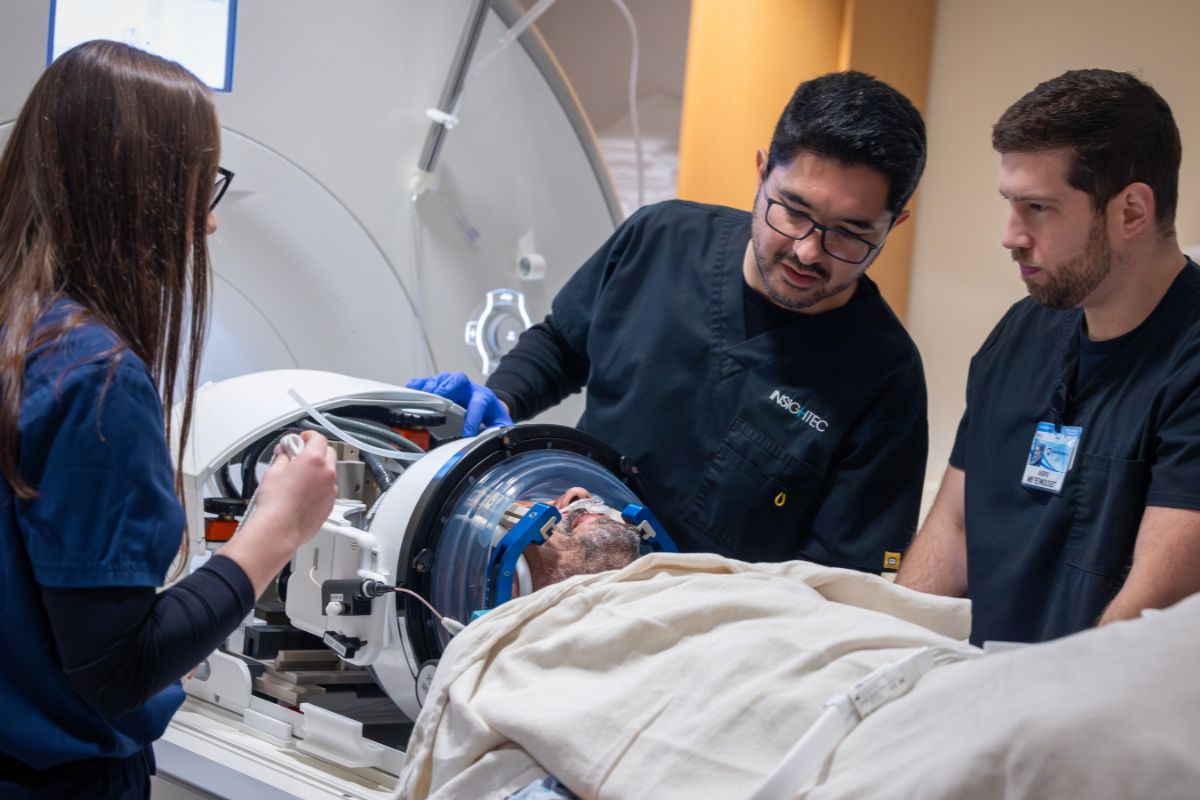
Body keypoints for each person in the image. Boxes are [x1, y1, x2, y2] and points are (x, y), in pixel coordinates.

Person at [410, 71, 929, 573]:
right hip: (570, 575)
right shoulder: (660, 238)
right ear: (761, 171)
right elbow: (563, 345)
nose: (807, 251)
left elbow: (837, 577)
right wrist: (500, 398)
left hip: (713, 624)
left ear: (894, 225)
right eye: (793, 210)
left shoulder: (885, 378)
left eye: (849, 233)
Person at [0, 41, 338, 797]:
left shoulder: (22, 334)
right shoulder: (95, 377)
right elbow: (116, 667)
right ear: (133, 187)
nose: (207, 225)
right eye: (197, 186)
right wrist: (276, 528)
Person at [898, 69, 1200, 644]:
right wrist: (886, 658)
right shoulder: (1020, 334)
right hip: (973, 682)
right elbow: (955, 528)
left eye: (1038, 207)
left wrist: (1036, 695)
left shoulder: (1188, 363)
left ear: (1131, 212)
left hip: (1096, 693)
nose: (1011, 235)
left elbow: (1156, 603)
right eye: (1011, 205)